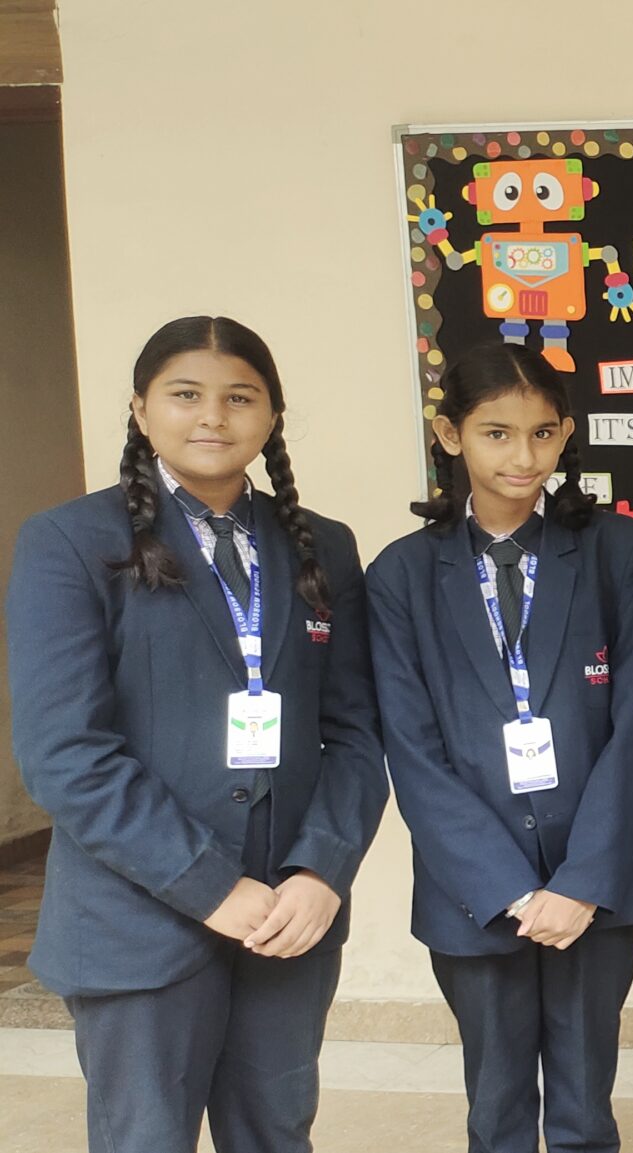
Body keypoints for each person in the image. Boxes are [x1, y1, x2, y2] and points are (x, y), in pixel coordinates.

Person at [7, 316, 385, 1153]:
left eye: (239, 397)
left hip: (288, 918)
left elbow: (356, 734)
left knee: (277, 1134)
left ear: (272, 415)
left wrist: (321, 871)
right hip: (138, 922)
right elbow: (65, 753)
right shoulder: (70, 541)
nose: (212, 415)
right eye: (185, 394)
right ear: (141, 409)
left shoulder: (323, 546)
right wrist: (212, 885)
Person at [367, 342, 633, 1153]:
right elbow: (412, 750)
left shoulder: (621, 551)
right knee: (497, 1106)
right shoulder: (401, 574)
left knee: (584, 1107)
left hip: (597, 882)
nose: (523, 455)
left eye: (543, 433)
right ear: (450, 434)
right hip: (473, 890)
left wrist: (580, 883)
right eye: (496, 433)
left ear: (566, 433)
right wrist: (507, 887)